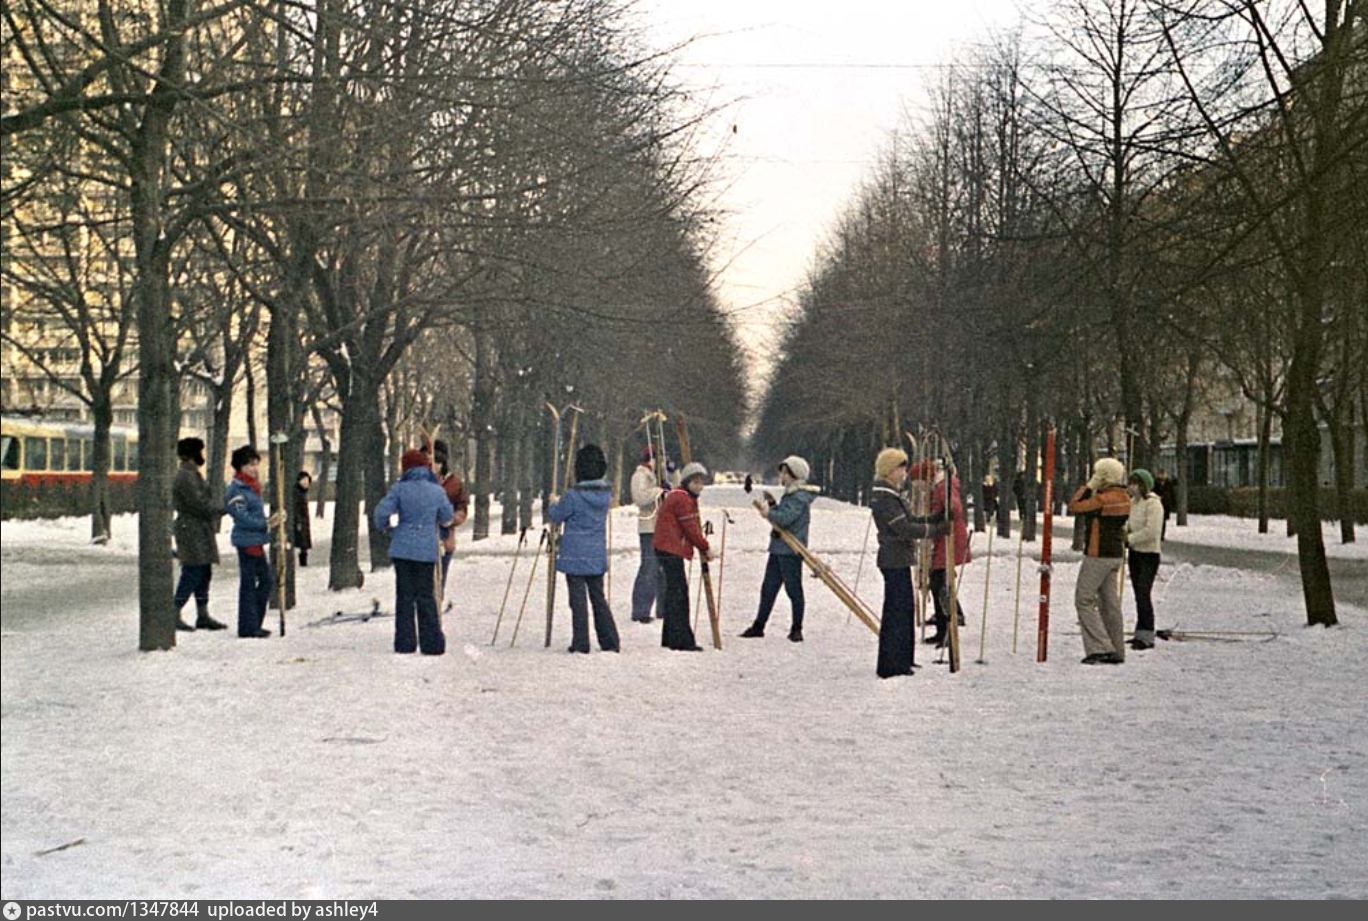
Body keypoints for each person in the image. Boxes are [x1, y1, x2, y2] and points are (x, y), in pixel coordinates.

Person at [870, 448, 949, 678]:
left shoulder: (891, 494)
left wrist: (932, 519)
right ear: (889, 470)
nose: (904, 472)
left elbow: (910, 519)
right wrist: (934, 530)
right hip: (893, 559)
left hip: (899, 558)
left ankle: (903, 658)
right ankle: (891, 664)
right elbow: (903, 528)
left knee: (905, 611)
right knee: (896, 612)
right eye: (900, 468)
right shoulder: (884, 496)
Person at [374, 449, 454, 655]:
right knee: (426, 595)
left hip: (402, 548)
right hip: (426, 548)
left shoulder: (399, 489)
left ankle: (405, 643)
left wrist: (388, 528)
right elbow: (447, 517)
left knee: (405, 596)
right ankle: (432, 643)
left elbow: (381, 513)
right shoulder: (436, 490)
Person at [548, 444, 621, 653]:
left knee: (578, 601)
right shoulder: (605, 495)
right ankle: (609, 640)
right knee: (598, 598)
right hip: (596, 553)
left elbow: (556, 515)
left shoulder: (573, 495)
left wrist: (553, 502)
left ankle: (581, 642)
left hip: (574, 554)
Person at [740, 455, 819, 642]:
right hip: (778, 548)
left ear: (794, 475)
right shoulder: (791, 494)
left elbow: (785, 519)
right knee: (768, 588)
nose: (781, 476)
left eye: (784, 472)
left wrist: (769, 512)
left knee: (793, 590)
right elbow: (783, 516)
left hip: (790, 550)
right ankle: (759, 626)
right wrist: (773, 506)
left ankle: (796, 628)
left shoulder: (798, 497)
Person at [1066, 457, 1132, 664]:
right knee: (1110, 604)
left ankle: (1100, 647)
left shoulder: (1102, 500)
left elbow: (1075, 506)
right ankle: (1116, 648)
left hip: (1097, 555)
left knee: (1083, 600)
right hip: (1114, 554)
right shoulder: (1124, 498)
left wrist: (1089, 485)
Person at [652, 462, 712, 651]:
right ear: (686, 482)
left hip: (666, 548)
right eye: (695, 482)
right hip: (670, 548)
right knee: (679, 595)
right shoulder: (682, 499)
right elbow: (691, 528)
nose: (699, 486)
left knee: (673, 594)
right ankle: (682, 640)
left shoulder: (681, 496)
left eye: (701, 482)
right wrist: (705, 547)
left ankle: (670, 637)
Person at [912, 459, 971, 647]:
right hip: (943, 537)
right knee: (938, 581)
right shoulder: (938, 487)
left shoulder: (943, 486)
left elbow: (953, 507)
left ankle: (947, 627)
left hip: (949, 537)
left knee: (941, 582)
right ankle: (942, 628)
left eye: (919, 482)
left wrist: (945, 515)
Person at [172, 437, 226, 632]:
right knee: (193, 570)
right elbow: (198, 504)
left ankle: (202, 614)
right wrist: (220, 509)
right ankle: (175, 610)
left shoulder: (191, 474)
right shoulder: (186, 476)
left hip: (198, 528)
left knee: (204, 571)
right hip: (191, 529)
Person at [224, 445, 278, 638]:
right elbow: (241, 516)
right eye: (250, 465)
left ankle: (254, 622)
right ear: (240, 467)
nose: (254, 468)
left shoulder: (252, 487)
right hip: (246, 542)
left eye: (256, 464)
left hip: (256, 541)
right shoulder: (236, 489)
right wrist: (265, 523)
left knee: (266, 580)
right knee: (249, 584)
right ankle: (248, 627)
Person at [1126, 469, 1164, 650]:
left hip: (1149, 554)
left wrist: (1131, 539)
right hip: (1135, 553)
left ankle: (1148, 634)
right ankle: (1139, 632)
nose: (1131, 487)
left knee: (1143, 592)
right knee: (1137, 594)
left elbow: (1152, 530)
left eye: (1134, 483)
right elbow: (1129, 523)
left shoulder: (1153, 504)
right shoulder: (1133, 503)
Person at [629, 444, 666, 623]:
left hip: (664, 526)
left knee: (664, 568)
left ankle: (664, 608)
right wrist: (658, 491)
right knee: (649, 568)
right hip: (649, 526)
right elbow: (640, 497)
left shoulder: (660, 476)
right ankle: (641, 610)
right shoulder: (640, 476)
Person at [430, 439, 470, 596]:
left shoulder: (454, 482)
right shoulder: (422, 481)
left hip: (445, 537)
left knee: (440, 574)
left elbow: (462, 507)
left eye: (438, 462)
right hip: (424, 539)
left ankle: (438, 598)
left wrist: (453, 518)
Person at [293, 471, 313, 567]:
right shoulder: (297, 493)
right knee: (302, 542)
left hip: (303, 521)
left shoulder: (302, 493)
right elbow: (295, 508)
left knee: (303, 542)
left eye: (307, 481)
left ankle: (303, 561)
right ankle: (302, 562)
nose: (306, 483)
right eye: (303, 480)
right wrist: (298, 521)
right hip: (300, 521)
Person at [1153, 468, 1176, 539]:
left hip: (1166, 504)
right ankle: (1158, 534)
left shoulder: (1169, 483)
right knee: (1158, 520)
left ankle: (1162, 535)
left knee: (1163, 520)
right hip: (1158, 502)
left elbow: (1172, 493)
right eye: (1161, 474)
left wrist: (1173, 502)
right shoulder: (1156, 483)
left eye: (1163, 474)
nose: (1162, 476)